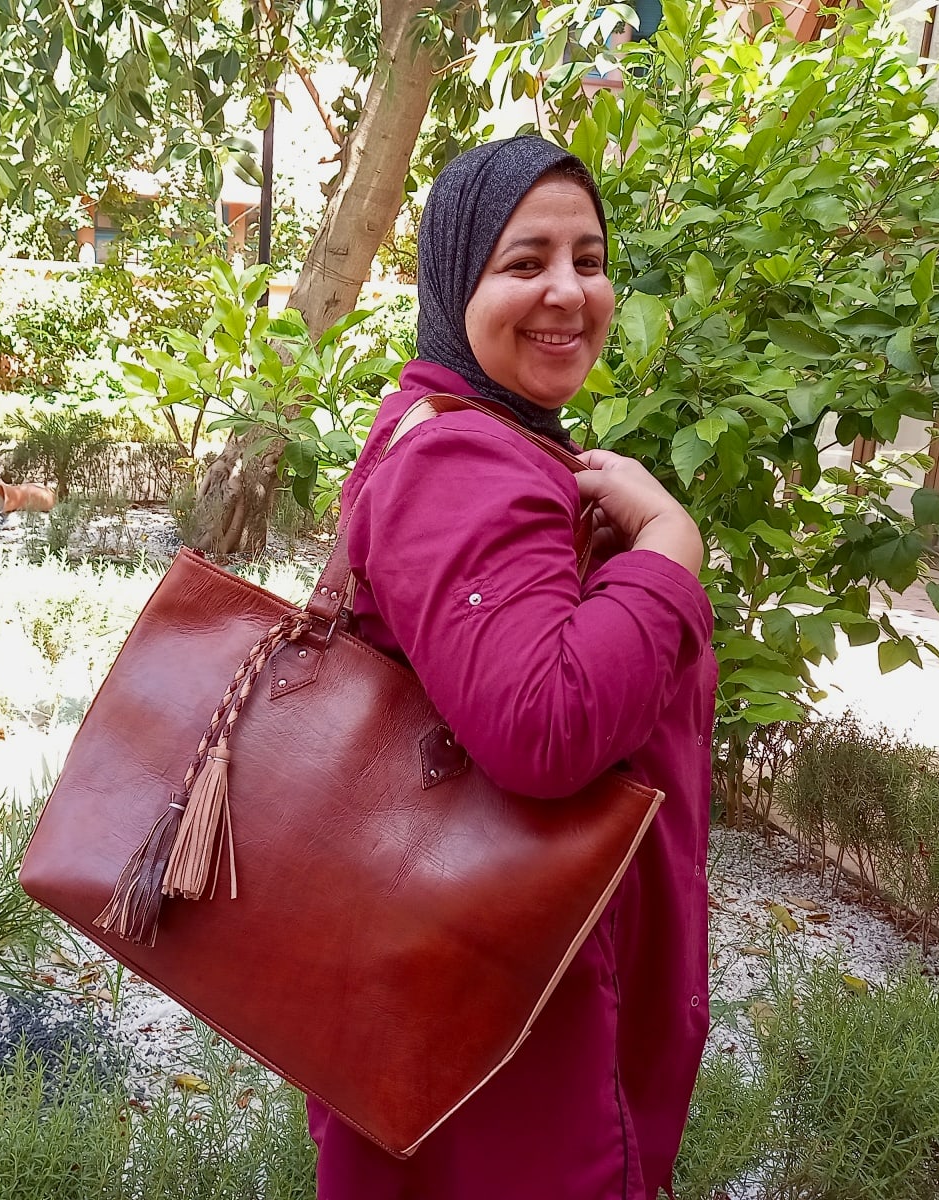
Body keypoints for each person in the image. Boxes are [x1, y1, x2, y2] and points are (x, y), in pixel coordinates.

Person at [304, 135, 717, 1199]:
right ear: (456, 281)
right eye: (524, 262)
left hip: (473, 967)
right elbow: (543, 728)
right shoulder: (462, 459)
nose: (567, 293)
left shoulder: (471, 429)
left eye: (588, 258)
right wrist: (670, 548)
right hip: (516, 1009)